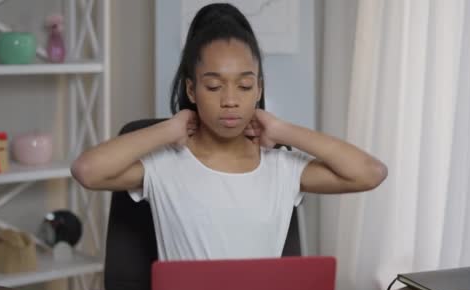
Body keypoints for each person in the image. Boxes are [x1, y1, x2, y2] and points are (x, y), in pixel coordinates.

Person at [71, 3, 387, 261]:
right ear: (192, 90)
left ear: (259, 88)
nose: (231, 100)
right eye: (213, 86)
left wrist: (282, 129)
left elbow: (370, 173)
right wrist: (168, 129)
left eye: (245, 85)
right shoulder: (165, 165)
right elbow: (87, 171)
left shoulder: (281, 168)